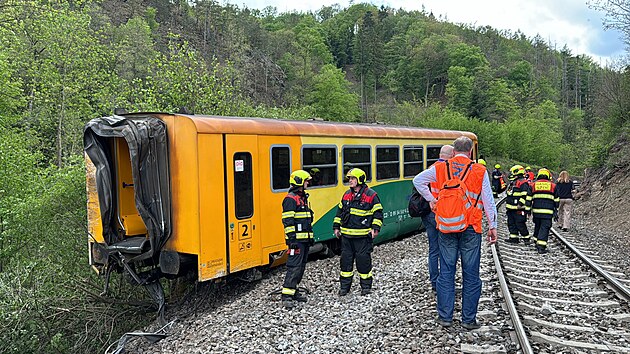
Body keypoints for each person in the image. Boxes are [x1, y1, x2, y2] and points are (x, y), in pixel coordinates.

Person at [413, 136, 498, 330]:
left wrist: (431, 199)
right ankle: (468, 320)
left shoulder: (441, 168)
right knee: (471, 274)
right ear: (470, 152)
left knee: (446, 271)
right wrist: (493, 226)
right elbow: (488, 200)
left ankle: (445, 317)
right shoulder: (479, 170)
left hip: (446, 226)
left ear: (453, 151)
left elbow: (418, 180)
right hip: (471, 228)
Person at [333, 168, 383, 296]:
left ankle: (366, 287)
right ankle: (344, 287)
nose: (350, 181)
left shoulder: (371, 195)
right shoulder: (346, 195)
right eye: (349, 179)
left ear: (360, 180)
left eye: (352, 179)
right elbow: (339, 212)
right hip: (346, 237)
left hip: (362, 237)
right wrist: (336, 227)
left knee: (363, 262)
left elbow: (378, 213)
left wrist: (375, 229)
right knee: (345, 263)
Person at [413, 145, 454, 292]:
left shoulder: (432, 168)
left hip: (428, 213)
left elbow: (418, 182)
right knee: (446, 248)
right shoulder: (448, 169)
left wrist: (430, 199)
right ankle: (445, 280)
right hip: (442, 212)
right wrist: (434, 200)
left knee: (433, 248)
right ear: (452, 155)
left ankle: (434, 281)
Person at [280, 170, 314, 309]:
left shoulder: (302, 198)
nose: (308, 183)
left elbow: (306, 220)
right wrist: (291, 240)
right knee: (294, 267)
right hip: (296, 241)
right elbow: (288, 221)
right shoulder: (290, 199)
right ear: (300, 182)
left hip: (304, 240)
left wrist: (310, 237)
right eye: (306, 181)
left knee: (300, 267)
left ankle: (294, 291)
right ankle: (286, 295)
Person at [530, 168, 559, 254]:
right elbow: (556, 200)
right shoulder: (553, 186)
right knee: (545, 227)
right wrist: (555, 209)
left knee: (538, 226)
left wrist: (528, 210)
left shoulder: (533, 185)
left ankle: (536, 241)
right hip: (547, 212)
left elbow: (528, 198)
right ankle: (541, 247)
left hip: (536, 211)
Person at [505, 165, 532, 244]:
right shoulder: (513, 182)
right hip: (511, 208)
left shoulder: (523, 183)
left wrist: (520, 204)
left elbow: (525, 195)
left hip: (519, 208)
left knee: (520, 223)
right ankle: (514, 238)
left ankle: (526, 238)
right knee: (511, 223)